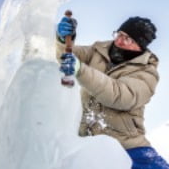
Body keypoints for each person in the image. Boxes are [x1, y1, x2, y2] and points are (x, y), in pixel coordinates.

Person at [56, 16, 169, 169]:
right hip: (87, 142)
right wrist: (63, 40)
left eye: (128, 39)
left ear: (140, 46)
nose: (119, 41)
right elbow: (63, 56)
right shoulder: (98, 51)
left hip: (128, 146)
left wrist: (80, 70)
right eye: (119, 34)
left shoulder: (147, 73)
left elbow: (119, 95)